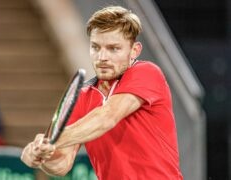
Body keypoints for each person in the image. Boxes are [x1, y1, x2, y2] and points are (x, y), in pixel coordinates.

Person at [20, 6, 183, 179]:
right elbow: (62, 165)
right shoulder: (81, 97)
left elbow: (107, 117)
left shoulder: (147, 73)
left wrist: (52, 139)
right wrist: (41, 155)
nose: (102, 57)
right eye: (96, 47)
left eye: (113, 48)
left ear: (134, 50)